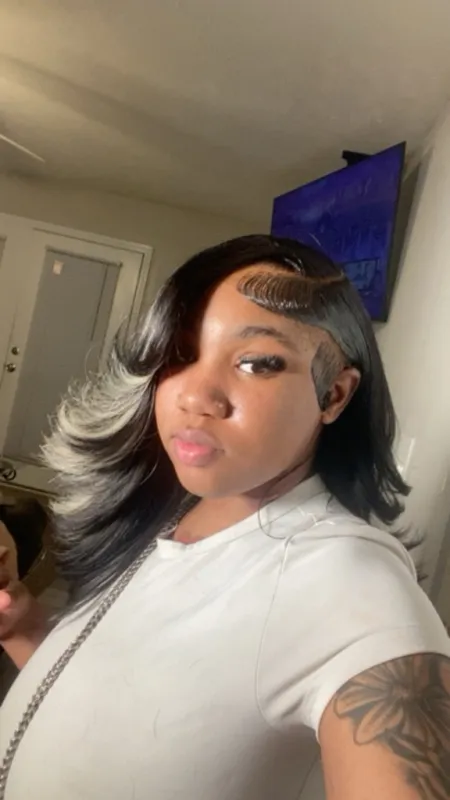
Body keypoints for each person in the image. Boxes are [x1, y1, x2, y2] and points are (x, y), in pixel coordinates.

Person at [0, 234, 449, 800]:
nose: (196, 395)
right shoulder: (177, 510)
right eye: (180, 354)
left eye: (257, 363)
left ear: (334, 395)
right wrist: (25, 630)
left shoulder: (351, 581)